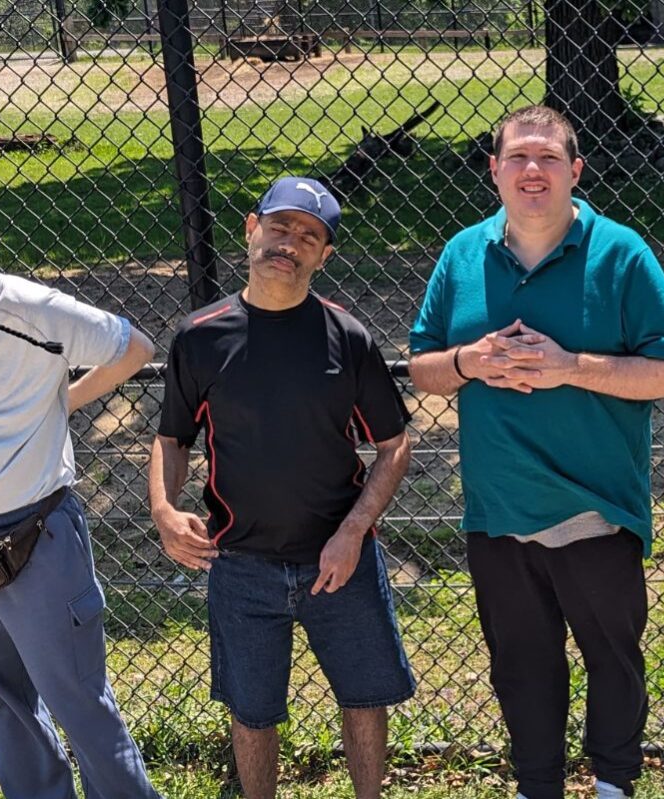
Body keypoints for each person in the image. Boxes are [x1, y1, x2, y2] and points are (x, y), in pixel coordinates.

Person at [409, 105, 664, 799]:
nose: (531, 171)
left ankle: (612, 785)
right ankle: (537, 785)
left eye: (547, 158)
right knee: (521, 665)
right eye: (517, 158)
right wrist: (470, 361)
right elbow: (422, 368)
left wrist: (571, 366)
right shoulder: (461, 254)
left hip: (594, 505)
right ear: (494, 171)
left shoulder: (621, 253)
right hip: (498, 509)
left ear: (575, 170)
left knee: (612, 660)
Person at [148, 177, 415, 799]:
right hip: (240, 560)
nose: (289, 244)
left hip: (338, 559)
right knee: (252, 711)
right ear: (251, 228)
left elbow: (396, 442)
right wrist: (163, 508)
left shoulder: (347, 336)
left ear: (324, 256)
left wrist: (352, 534)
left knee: (365, 696)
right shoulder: (200, 334)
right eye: (280, 227)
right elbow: (172, 439)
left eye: (309, 236)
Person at [0, 191, 162, 798]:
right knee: (4, 710)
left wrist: (64, 400)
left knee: (80, 705)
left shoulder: (33, 308)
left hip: (36, 536)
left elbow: (136, 349)